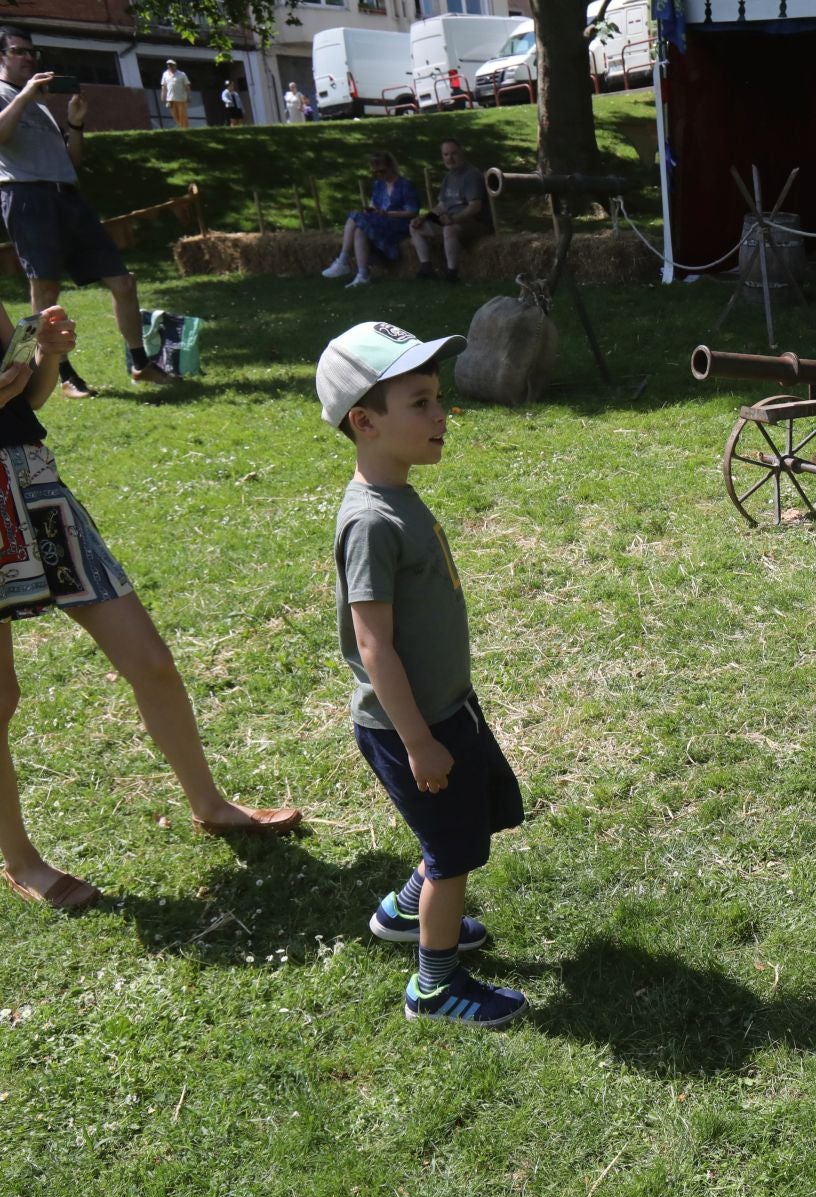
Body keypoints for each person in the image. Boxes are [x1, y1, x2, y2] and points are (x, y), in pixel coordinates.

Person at [0, 301, 301, 913]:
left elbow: (23, 401)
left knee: (152, 660)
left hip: (36, 490)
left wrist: (48, 356)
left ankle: (210, 806)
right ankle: (22, 862)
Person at [321, 320, 529, 1028]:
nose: (442, 415)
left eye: (437, 398)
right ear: (365, 422)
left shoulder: (398, 496)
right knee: (452, 857)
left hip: (445, 708)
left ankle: (402, 915)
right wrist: (418, 742)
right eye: (420, 403)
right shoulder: (371, 521)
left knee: (466, 827)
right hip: (413, 723)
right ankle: (436, 988)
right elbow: (373, 646)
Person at [0, 27, 179, 395]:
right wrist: (27, 95)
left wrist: (76, 123)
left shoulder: (38, 103)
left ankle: (140, 363)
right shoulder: (8, 96)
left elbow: (72, 161)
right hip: (26, 196)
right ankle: (61, 376)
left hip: (68, 196)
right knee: (45, 290)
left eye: (32, 52)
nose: (29, 58)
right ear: (1, 57)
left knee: (123, 282)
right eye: (19, 51)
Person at [319, 152, 420, 289]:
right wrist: (372, 210)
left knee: (354, 216)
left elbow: (412, 212)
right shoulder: (379, 184)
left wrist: (387, 213)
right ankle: (363, 275)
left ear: (391, 167)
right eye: (376, 172)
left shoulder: (405, 185)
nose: (380, 175)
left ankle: (343, 261)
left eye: (382, 171)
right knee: (359, 229)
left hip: (398, 223)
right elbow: (375, 204)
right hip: (381, 220)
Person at [409, 139, 491, 284]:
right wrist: (424, 218)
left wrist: (454, 219)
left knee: (449, 230)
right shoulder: (449, 177)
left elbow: (475, 207)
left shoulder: (471, 175)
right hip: (450, 220)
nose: (450, 158)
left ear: (462, 153)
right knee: (414, 226)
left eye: (453, 153)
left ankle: (452, 274)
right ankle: (426, 268)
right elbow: (441, 206)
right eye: (446, 155)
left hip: (473, 223)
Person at [159, 57, 189, 129]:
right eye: (169, 65)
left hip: (181, 98)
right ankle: (180, 127)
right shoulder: (165, 74)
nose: (170, 66)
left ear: (175, 65)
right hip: (170, 99)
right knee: (174, 114)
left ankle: (185, 128)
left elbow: (187, 85)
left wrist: (189, 95)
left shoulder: (182, 74)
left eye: (171, 65)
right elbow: (164, 86)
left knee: (182, 115)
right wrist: (163, 95)